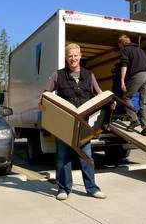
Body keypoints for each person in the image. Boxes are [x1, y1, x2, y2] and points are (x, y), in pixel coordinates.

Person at [41, 43, 107, 201]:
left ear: (80, 56)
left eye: (76, 55)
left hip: (84, 125)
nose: (73, 58)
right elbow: (45, 95)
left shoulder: (89, 75)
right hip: (65, 124)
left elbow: (100, 95)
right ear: (66, 57)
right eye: (70, 56)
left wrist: (110, 102)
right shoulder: (58, 75)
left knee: (87, 158)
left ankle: (92, 189)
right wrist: (43, 104)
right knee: (63, 158)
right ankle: (63, 189)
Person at [118, 34, 146, 136]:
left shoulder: (125, 50)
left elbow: (124, 65)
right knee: (143, 102)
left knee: (126, 97)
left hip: (139, 75)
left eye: (119, 45)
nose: (119, 47)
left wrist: (122, 80)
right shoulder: (140, 50)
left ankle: (134, 120)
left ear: (122, 43)